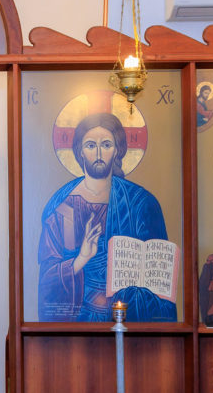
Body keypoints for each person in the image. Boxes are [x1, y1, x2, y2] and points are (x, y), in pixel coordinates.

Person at [38, 112, 177, 322]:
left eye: (106, 145)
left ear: (117, 150)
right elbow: (48, 280)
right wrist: (81, 259)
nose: (99, 154)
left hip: (129, 318)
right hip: (79, 323)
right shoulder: (62, 207)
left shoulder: (141, 203)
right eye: (91, 145)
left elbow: (158, 279)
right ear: (80, 151)